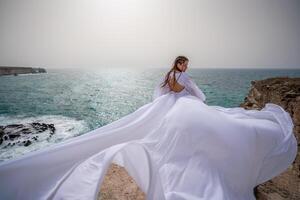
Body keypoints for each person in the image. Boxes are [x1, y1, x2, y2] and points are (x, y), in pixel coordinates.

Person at [0, 56, 297, 200]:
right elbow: (181, 91)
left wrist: (187, 89)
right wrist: (187, 87)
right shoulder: (174, 76)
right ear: (177, 65)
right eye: (182, 63)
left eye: (185, 64)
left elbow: (179, 91)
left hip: (175, 105)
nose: (183, 66)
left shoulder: (176, 77)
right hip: (176, 105)